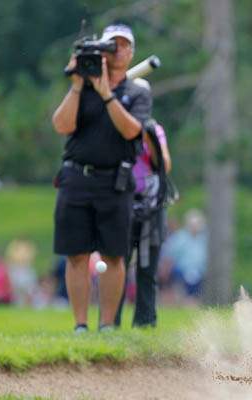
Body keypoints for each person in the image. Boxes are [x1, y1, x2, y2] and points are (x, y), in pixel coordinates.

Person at [51, 23, 152, 332]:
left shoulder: (137, 92)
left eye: (124, 46)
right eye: (112, 46)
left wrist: (108, 95)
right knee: (76, 253)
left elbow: (133, 130)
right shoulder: (83, 89)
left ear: (132, 52)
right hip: (76, 178)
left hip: (115, 182)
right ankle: (80, 325)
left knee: (114, 254)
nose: (118, 51)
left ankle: (107, 325)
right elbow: (61, 125)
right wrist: (79, 85)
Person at [115, 78, 172, 328]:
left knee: (147, 270)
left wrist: (150, 140)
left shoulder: (155, 130)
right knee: (118, 265)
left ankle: (146, 323)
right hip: (123, 204)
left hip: (151, 207)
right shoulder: (117, 127)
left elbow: (165, 165)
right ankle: (110, 323)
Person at [159, 209, 208, 306]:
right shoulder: (180, 238)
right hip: (180, 271)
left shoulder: (204, 239)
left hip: (200, 272)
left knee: (196, 287)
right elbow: (169, 255)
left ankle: (192, 302)